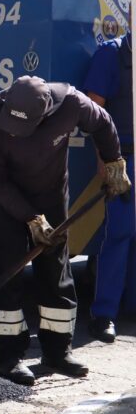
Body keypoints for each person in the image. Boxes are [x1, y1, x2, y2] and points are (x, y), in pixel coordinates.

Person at [0, 75, 130, 386]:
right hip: (5, 201)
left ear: (46, 112)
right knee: (9, 273)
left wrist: (114, 162)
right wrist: (31, 218)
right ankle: (8, 359)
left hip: (51, 195)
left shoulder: (71, 103)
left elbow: (103, 123)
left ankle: (57, 353)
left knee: (56, 272)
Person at [83, 29, 136, 343]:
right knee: (119, 233)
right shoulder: (112, 54)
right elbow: (94, 111)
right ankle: (104, 314)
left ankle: (131, 305)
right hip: (124, 159)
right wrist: (105, 159)